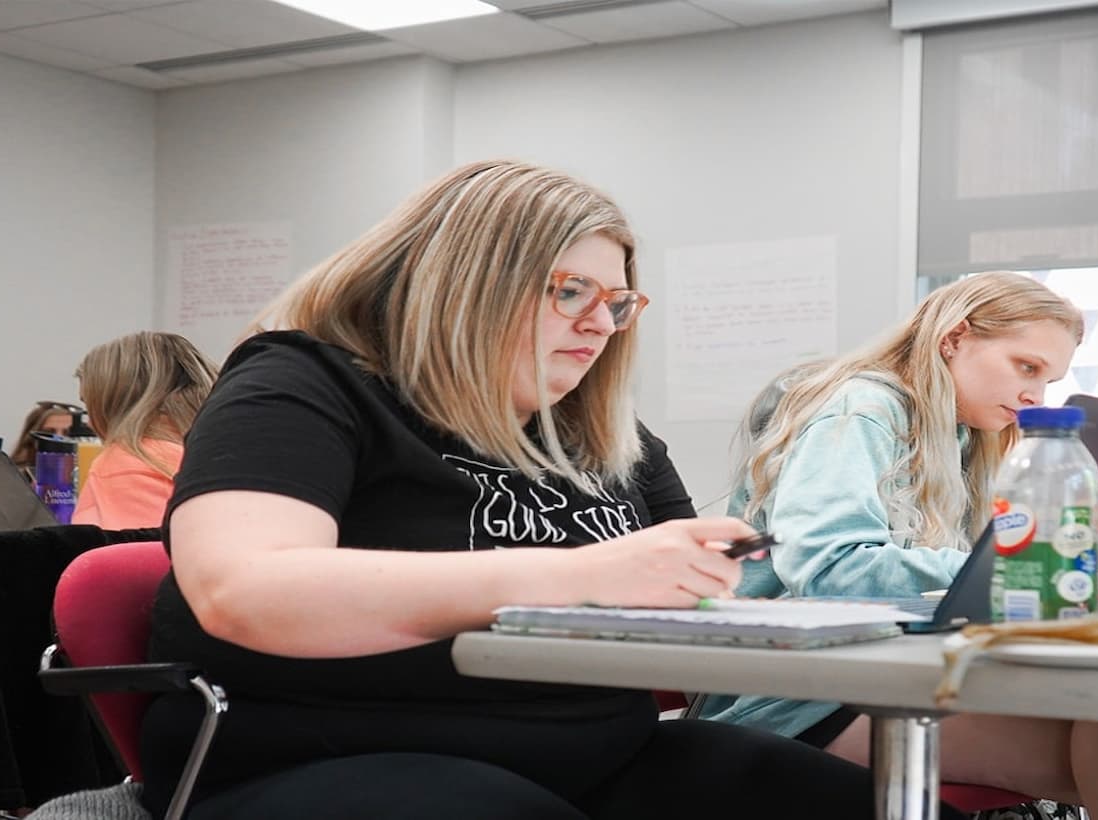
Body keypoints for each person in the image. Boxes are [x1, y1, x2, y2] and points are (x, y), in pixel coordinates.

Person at [139, 160, 904, 820]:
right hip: (332, 754)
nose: (602, 324)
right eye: (571, 292)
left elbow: (702, 603)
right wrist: (587, 577)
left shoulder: (597, 432)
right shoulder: (304, 383)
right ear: (461, 284)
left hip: (597, 756)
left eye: (616, 301)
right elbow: (244, 590)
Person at [696, 272, 1098, 820]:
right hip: (805, 693)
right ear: (954, 339)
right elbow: (830, 565)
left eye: (1048, 381)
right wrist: (1019, 565)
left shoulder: (965, 435)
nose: (1034, 396)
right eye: (1026, 367)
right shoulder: (861, 407)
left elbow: (955, 576)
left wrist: (1061, 559)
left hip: (901, 667)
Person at [70, 332, 216, 530]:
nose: (89, 423)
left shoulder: (128, 462)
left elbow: (140, 556)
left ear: (110, 405)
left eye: (89, 407)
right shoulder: (225, 450)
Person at [10, 401, 77, 481]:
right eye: (49, 433)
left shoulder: (88, 477)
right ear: (32, 440)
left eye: (68, 434)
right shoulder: (11, 478)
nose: (59, 439)